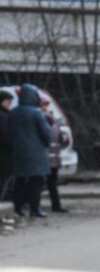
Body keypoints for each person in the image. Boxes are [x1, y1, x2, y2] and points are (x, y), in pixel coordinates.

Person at [9, 84, 52, 219]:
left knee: (20, 180)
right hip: (36, 153)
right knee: (36, 181)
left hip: (18, 152)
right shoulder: (37, 113)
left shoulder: (13, 113)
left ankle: (18, 207)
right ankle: (35, 208)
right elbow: (47, 134)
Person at [39, 99, 69, 214]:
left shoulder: (52, 120)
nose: (46, 107)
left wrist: (63, 138)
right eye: (43, 105)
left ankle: (56, 205)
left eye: (47, 105)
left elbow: (58, 135)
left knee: (52, 184)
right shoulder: (41, 119)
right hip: (45, 158)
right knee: (40, 184)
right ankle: (37, 206)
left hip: (54, 157)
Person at [0, 89, 13, 210]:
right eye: (8, 101)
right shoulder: (3, 115)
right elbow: (5, 135)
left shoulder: (6, 114)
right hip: (4, 153)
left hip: (5, 152)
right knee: (4, 178)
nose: (10, 103)